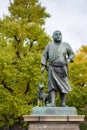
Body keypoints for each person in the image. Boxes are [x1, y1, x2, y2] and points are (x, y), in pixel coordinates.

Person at [41, 30, 75, 107]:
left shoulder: (66, 45)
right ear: (53, 36)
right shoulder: (49, 45)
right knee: (52, 85)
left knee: (64, 85)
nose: (58, 35)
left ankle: (63, 103)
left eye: (60, 34)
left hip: (63, 68)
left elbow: (72, 54)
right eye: (56, 34)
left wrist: (69, 59)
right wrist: (43, 65)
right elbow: (44, 55)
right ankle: (52, 102)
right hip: (52, 68)